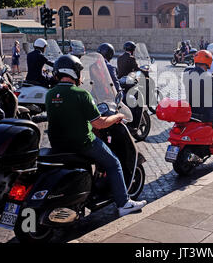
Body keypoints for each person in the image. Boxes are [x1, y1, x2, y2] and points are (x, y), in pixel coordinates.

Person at [45, 55, 147, 217]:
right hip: (82, 143)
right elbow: (99, 123)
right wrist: (118, 117)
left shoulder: (50, 94)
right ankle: (124, 203)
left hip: (58, 144)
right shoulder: (81, 94)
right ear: (74, 73)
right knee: (114, 163)